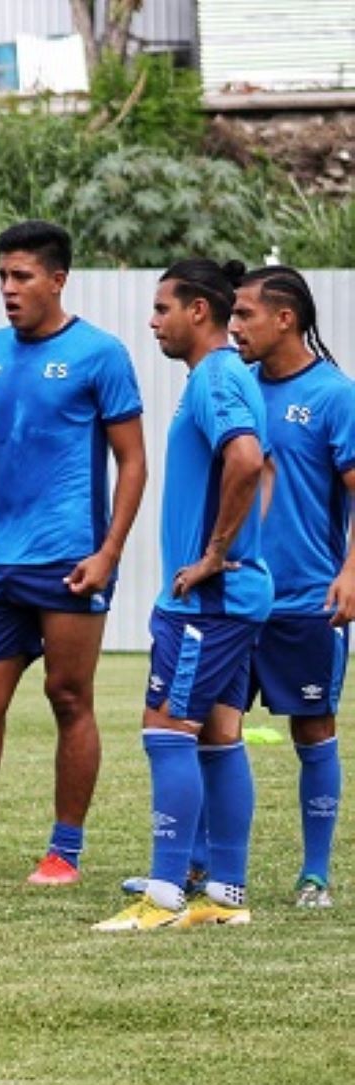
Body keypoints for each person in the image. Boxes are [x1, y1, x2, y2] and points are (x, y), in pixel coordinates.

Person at [0, 221, 147, 888]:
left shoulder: (101, 354)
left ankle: (64, 852)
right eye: (2, 277)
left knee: (69, 697)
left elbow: (132, 462)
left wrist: (108, 552)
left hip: (70, 558)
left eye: (23, 277)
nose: (8, 289)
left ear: (58, 278)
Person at [96, 258, 269, 932]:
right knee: (221, 736)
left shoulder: (219, 377)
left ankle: (164, 893)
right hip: (232, 597)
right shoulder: (221, 376)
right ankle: (224, 892)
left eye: (163, 308)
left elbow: (248, 459)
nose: (153, 320)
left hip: (208, 602)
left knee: (166, 730)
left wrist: (215, 555)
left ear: (199, 310)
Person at [230, 266, 355, 908]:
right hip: (234, 597)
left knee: (313, 730)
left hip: (306, 599)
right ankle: (209, 870)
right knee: (210, 730)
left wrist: (351, 571)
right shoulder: (237, 388)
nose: (234, 325)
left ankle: (314, 875)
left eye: (246, 314)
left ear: (286, 319)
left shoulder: (335, 395)